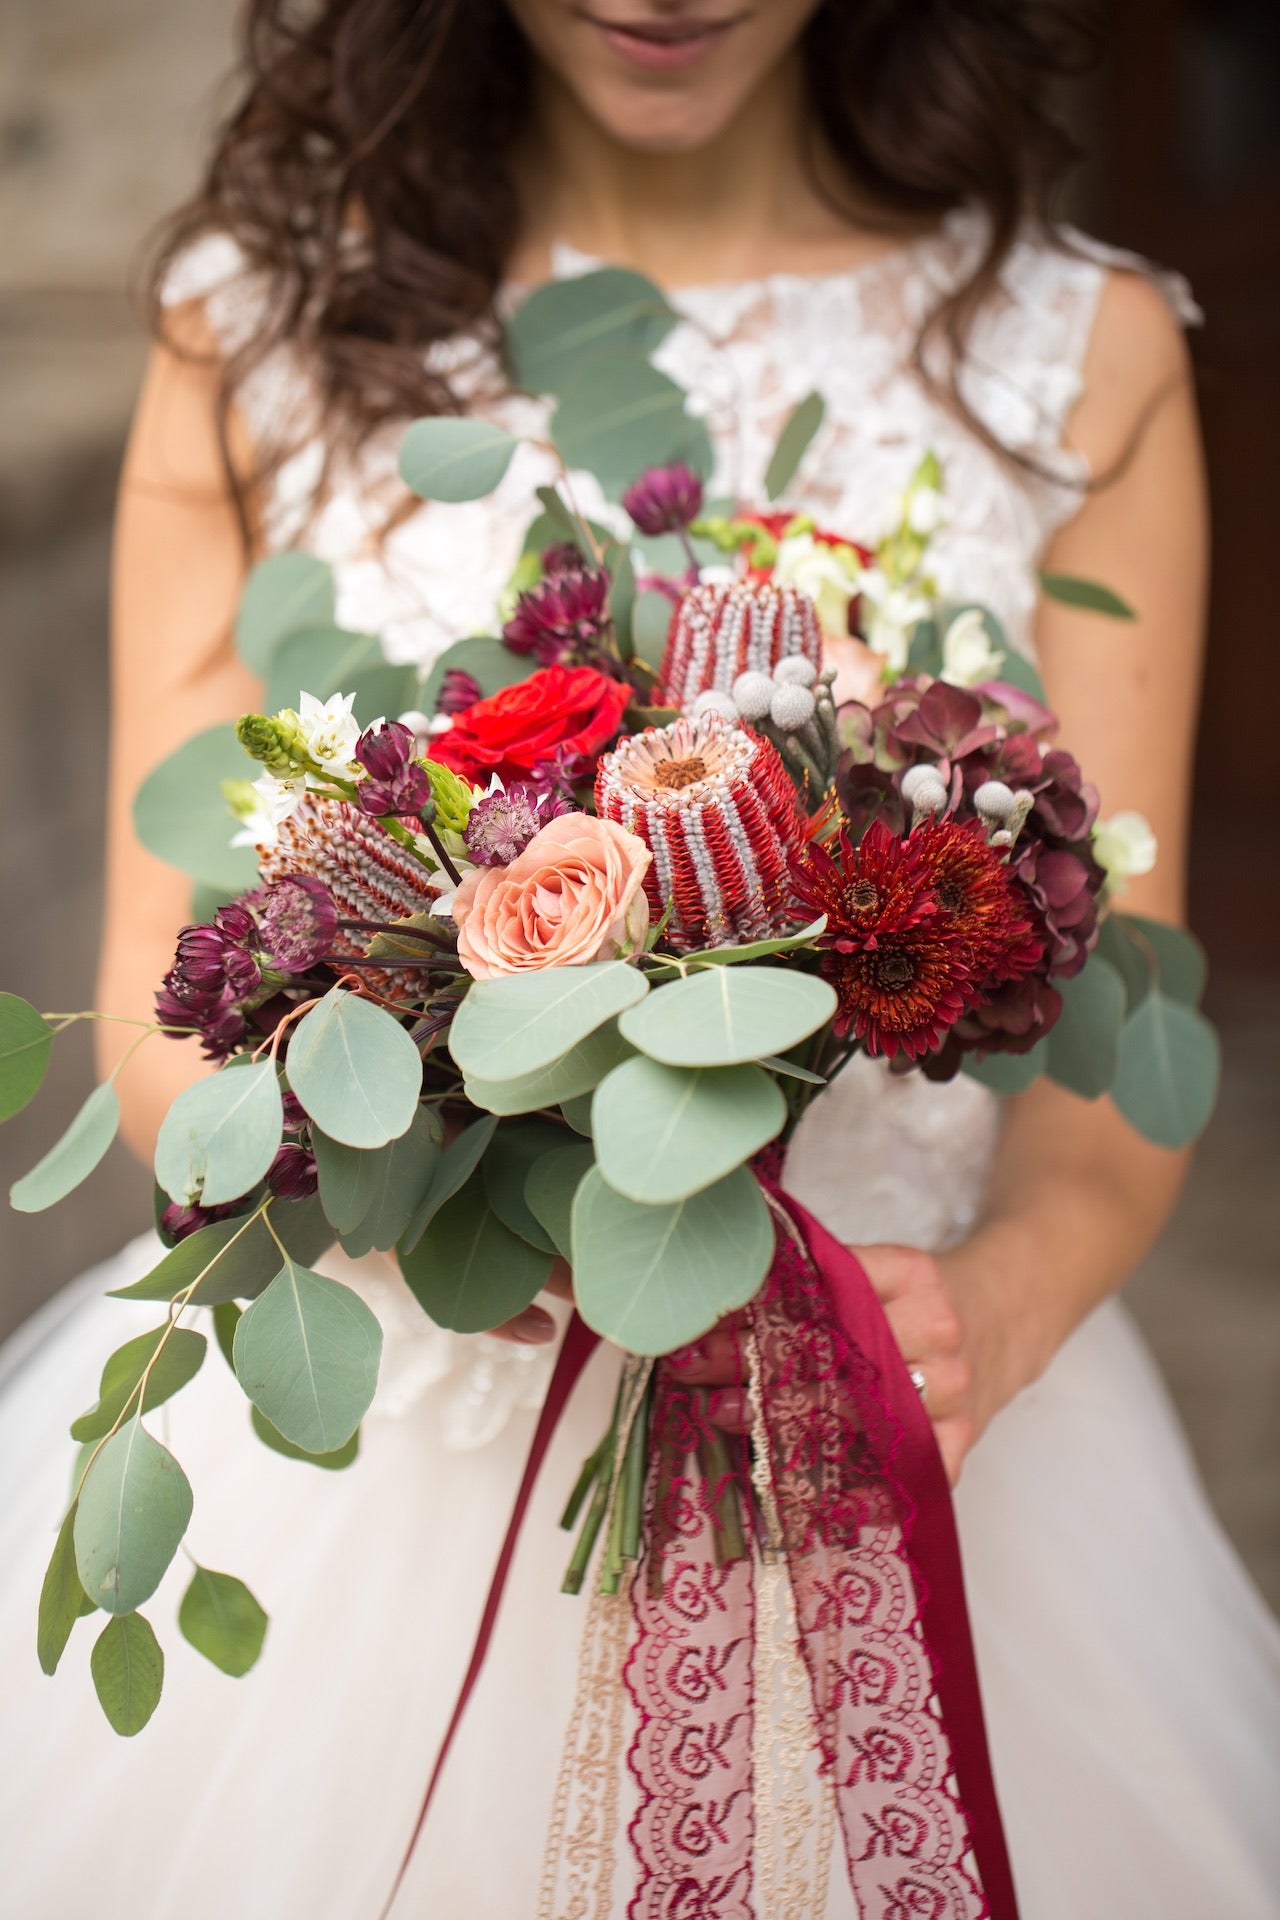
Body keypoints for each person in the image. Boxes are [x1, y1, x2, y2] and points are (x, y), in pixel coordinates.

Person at [2, 2, 1279, 1914]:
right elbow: (155, 1006)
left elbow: (1119, 1013)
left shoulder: (1077, 357)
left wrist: (996, 1312)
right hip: (405, 1422)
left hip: (915, 1415)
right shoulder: (264, 331)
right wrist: (402, 1176)